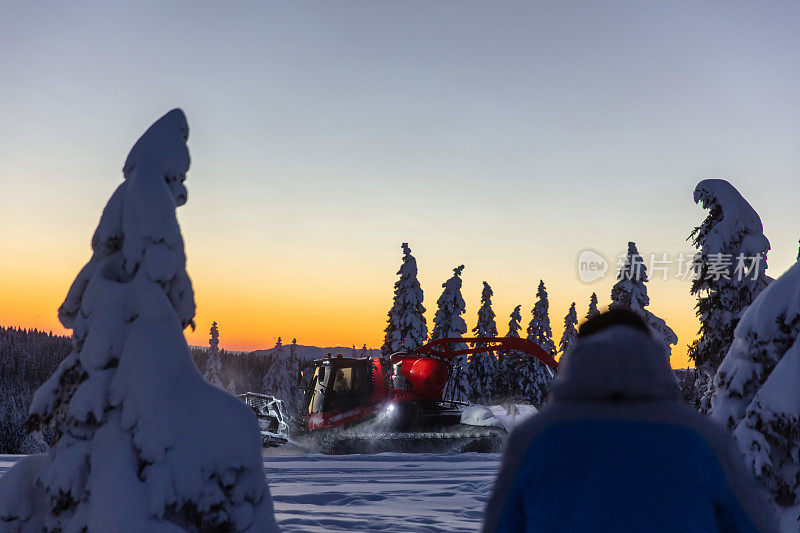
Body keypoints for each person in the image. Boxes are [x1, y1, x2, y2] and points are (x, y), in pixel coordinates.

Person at [482, 309, 777, 533]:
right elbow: (755, 524)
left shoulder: (533, 438)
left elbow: (500, 524)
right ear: (653, 354)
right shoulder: (704, 438)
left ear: (579, 356)